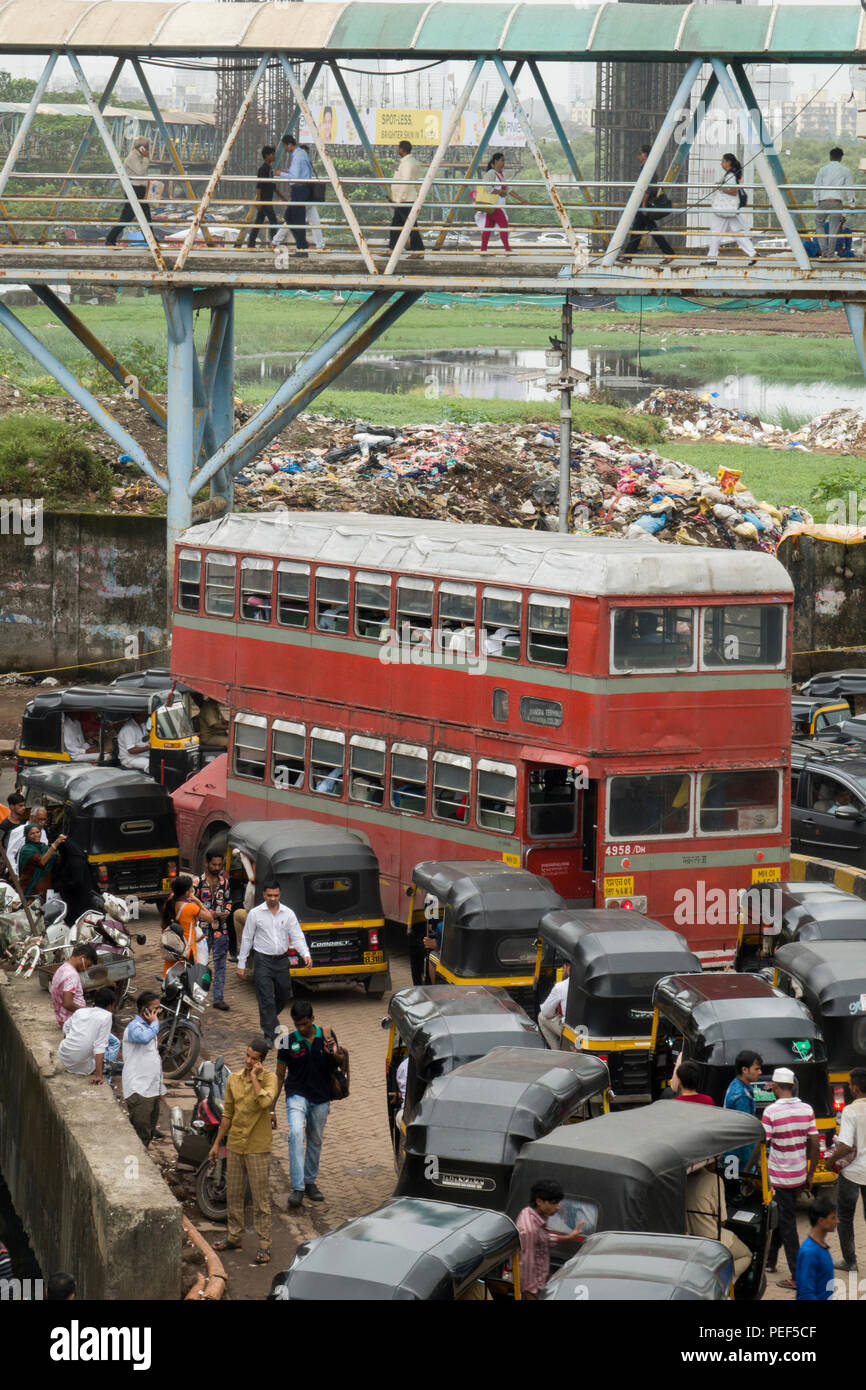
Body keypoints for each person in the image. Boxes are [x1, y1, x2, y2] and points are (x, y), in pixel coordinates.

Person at [211, 1037, 279, 1264]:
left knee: (260, 1200)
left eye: (254, 1058)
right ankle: (234, 1236)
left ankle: (265, 1245)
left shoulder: (270, 1079)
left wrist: (254, 1079)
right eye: (247, 1056)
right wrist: (217, 1143)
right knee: (234, 1194)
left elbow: (265, 1103)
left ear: (262, 1061)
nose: (249, 1061)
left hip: (258, 1148)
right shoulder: (233, 1080)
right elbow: (227, 1114)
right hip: (236, 1145)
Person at [273, 999, 345, 1207]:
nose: (301, 1028)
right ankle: (298, 1187)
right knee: (295, 1133)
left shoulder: (327, 1035)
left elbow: (340, 1061)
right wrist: (271, 1107)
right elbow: (279, 1075)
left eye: (305, 1024)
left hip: (321, 1096)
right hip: (297, 1094)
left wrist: (333, 1051)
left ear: (312, 1019)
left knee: (315, 1140)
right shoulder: (287, 1042)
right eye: (297, 1025)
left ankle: (310, 1181)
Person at [763, 1066, 820, 1289]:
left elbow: (764, 1144)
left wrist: (757, 1172)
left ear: (775, 1087)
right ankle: (769, 1262)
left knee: (787, 1224)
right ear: (793, 1086)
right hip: (798, 1175)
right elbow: (814, 1143)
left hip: (779, 1177)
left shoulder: (770, 1112)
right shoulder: (807, 1109)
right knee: (783, 1216)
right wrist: (810, 1174)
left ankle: (798, 1276)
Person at [237, 877, 312, 1042]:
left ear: (280, 895)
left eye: (276, 895)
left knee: (284, 993)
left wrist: (305, 954)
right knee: (266, 998)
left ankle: (268, 1017)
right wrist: (241, 963)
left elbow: (297, 936)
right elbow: (247, 938)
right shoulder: (255, 914)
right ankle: (269, 1033)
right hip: (262, 960)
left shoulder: (288, 913)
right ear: (264, 894)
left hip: (281, 961)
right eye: (270, 895)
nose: (273, 898)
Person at [515, 1178, 585, 1299]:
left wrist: (570, 1236)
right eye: (554, 1202)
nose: (558, 1207)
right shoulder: (529, 1229)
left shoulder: (535, 1215)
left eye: (558, 1202)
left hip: (540, 1286)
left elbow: (543, 1239)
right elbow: (525, 1266)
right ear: (539, 1201)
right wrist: (531, 1295)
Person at [826, 1065, 866, 1272]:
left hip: (851, 1173)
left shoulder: (851, 1111)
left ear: (856, 1088)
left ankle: (850, 1261)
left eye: (850, 1084)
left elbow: (845, 1146)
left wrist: (829, 1161)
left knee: (845, 1217)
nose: (849, 1087)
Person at [685, 1161, 752, 1281]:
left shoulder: (684, 1178)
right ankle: (721, 1281)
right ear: (710, 1163)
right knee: (746, 1255)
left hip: (689, 1238)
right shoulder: (714, 1180)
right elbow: (722, 1220)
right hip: (711, 1240)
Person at [121, 990, 166, 1147]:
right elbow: (143, 1038)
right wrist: (155, 1024)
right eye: (156, 1008)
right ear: (144, 1010)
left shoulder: (149, 1028)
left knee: (148, 1131)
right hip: (138, 1089)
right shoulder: (134, 1028)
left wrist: (160, 1088)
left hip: (151, 1089)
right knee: (141, 1134)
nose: (159, 1012)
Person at [703, 152, 757, 266]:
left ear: (728, 162)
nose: (721, 163)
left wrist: (720, 188)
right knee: (737, 232)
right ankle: (753, 253)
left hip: (723, 210)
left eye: (723, 161)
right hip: (729, 210)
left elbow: (733, 191)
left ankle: (711, 259)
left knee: (715, 234)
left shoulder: (730, 175)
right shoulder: (732, 174)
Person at [58, 986, 119, 1084]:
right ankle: (107, 1077)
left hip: (64, 1056)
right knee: (115, 1048)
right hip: (81, 1066)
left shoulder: (80, 1011)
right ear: (110, 1006)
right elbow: (99, 1046)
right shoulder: (107, 1016)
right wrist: (99, 1076)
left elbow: (66, 1028)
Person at [624, 144, 675, 257]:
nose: (638, 156)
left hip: (645, 204)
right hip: (644, 203)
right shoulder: (646, 166)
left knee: (646, 231)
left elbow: (648, 188)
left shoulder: (647, 167)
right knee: (639, 230)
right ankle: (628, 256)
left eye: (639, 153)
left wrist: (643, 204)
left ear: (645, 155)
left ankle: (669, 253)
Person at [196, 850, 233, 1008]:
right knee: (199, 965)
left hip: (221, 930)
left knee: (220, 965)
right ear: (207, 863)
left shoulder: (224, 882)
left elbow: (229, 900)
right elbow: (191, 904)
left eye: (219, 865)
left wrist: (227, 912)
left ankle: (218, 998)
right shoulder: (197, 882)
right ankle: (196, 996)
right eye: (214, 864)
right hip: (202, 930)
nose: (217, 867)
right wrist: (205, 914)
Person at [474, 152, 528, 254]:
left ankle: (483, 250)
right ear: (496, 161)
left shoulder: (499, 175)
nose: (504, 163)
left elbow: (508, 189)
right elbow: (488, 188)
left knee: (488, 228)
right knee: (503, 226)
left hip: (494, 206)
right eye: (502, 160)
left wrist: (521, 199)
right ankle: (507, 249)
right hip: (495, 206)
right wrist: (500, 192)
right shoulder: (491, 174)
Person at [106, 137, 154, 247]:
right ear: (141, 147)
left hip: (140, 189)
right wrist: (146, 158)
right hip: (134, 190)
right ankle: (110, 238)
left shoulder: (139, 157)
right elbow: (141, 172)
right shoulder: (133, 157)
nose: (148, 149)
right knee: (127, 217)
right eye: (146, 147)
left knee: (146, 217)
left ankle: (152, 241)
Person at [723, 1049, 763, 1178]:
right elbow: (746, 1132)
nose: (760, 1072)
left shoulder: (738, 1085)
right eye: (756, 1069)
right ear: (745, 1069)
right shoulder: (741, 1096)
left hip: (731, 1154)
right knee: (738, 1191)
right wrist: (751, 1164)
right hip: (738, 1158)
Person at [161, 875, 212, 975]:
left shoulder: (168, 904)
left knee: (171, 979)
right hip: (187, 951)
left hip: (173, 948)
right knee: (189, 982)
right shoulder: (191, 907)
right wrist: (198, 901)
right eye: (191, 887)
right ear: (187, 891)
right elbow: (210, 918)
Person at [814, 147, 855, 258]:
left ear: (830, 157)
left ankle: (824, 251)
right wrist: (852, 204)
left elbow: (816, 187)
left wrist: (816, 201)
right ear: (841, 158)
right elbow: (849, 188)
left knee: (819, 224)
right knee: (834, 230)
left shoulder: (822, 169)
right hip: (836, 201)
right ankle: (831, 254)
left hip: (823, 201)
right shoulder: (845, 170)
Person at [275, 135, 312, 254]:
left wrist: (281, 174)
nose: (285, 149)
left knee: (292, 218)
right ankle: (302, 246)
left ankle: (302, 247)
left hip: (299, 190)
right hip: (303, 189)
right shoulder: (302, 153)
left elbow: (295, 177)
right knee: (294, 218)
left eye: (284, 146)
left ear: (289, 144)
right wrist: (288, 171)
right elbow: (298, 173)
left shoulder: (297, 156)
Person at [795, 1196, 837, 1301]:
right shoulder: (810, 1252)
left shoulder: (820, 1247)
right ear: (821, 1221)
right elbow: (806, 1294)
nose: (837, 1221)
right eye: (833, 1218)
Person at [50, 942, 97, 1027]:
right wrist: (88, 1011)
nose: (86, 969)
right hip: (73, 1022)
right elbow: (67, 1003)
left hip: (64, 1019)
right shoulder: (72, 975)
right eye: (88, 965)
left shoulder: (63, 968)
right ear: (83, 958)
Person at [389, 139, 424, 252]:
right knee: (400, 225)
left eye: (398, 148)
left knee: (407, 226)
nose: (397, 150)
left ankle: (417, 250)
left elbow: (406, 182)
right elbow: (416, 181)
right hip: (408, 198)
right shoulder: (411, 162)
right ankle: (393, 249)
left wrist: (398, 200)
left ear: (402, 149)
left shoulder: (407, 164)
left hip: (405, 200)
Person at [17, 822, 65, 900]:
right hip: (31, 889)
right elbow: (42, 862)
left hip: (46, 887)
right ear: (27, 836)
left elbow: (55, 859)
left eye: (37, 832)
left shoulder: (44, 847)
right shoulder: (26, 850)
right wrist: (55, 844)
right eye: (32, 833)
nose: (36, 835)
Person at [249, 145, 279, 249]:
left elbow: (272, 185)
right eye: (272, 154)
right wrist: (259, 201)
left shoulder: (269, 168)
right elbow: (259, 186)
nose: (274, 156)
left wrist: (282, 196)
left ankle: (251, 243)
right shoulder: (263, 169)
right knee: (273, 221)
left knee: (258, 221)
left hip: (267, 200)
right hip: (265, 200)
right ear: (267, 156)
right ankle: (274, 243)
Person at [7, 805, 48, 876]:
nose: (43, 823)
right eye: (40, 819)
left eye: (44, 819)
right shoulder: (18, 831)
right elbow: (10, 854)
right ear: (31, 818)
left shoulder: (43, 832)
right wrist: (14, 873)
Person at [537, 966, 570, 1050]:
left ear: (568, 967)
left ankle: (557, 1051)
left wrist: (554, 1015)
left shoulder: (561, 986)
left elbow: (546, 1012)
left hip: (571, 1032)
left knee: (541, 1017)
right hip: (591, 1031)